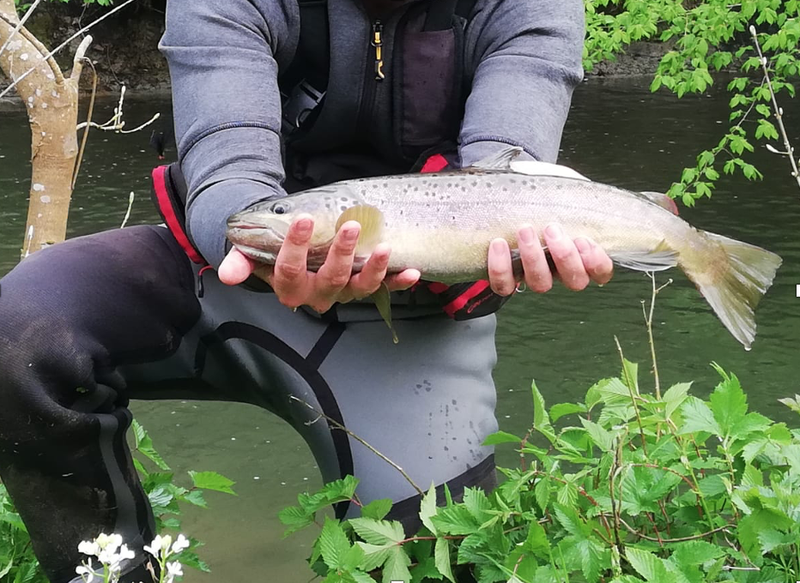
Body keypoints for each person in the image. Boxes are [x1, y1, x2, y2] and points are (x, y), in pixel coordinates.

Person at [0, 0, 613, 581]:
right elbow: (228, 168)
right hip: (228, 275)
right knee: (18, 331)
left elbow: (510, 167)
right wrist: (255, 240)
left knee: (436, 558)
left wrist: (538, 240)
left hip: (415, 322)